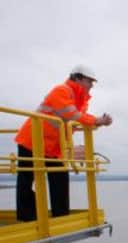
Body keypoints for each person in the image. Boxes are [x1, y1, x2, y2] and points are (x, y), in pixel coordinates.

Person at [14, 65, 113, 221]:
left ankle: (60, 215)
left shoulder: (80, 99)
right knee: (27, 179)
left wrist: (97, 122)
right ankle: (27, 217)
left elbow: (79, 117)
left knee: (60, 178)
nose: (92, 85)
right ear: (78, 78)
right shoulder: (62, 91)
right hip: (32, 141)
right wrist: (96, 120)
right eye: (89, 81)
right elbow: (72, 115)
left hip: (53, 146)